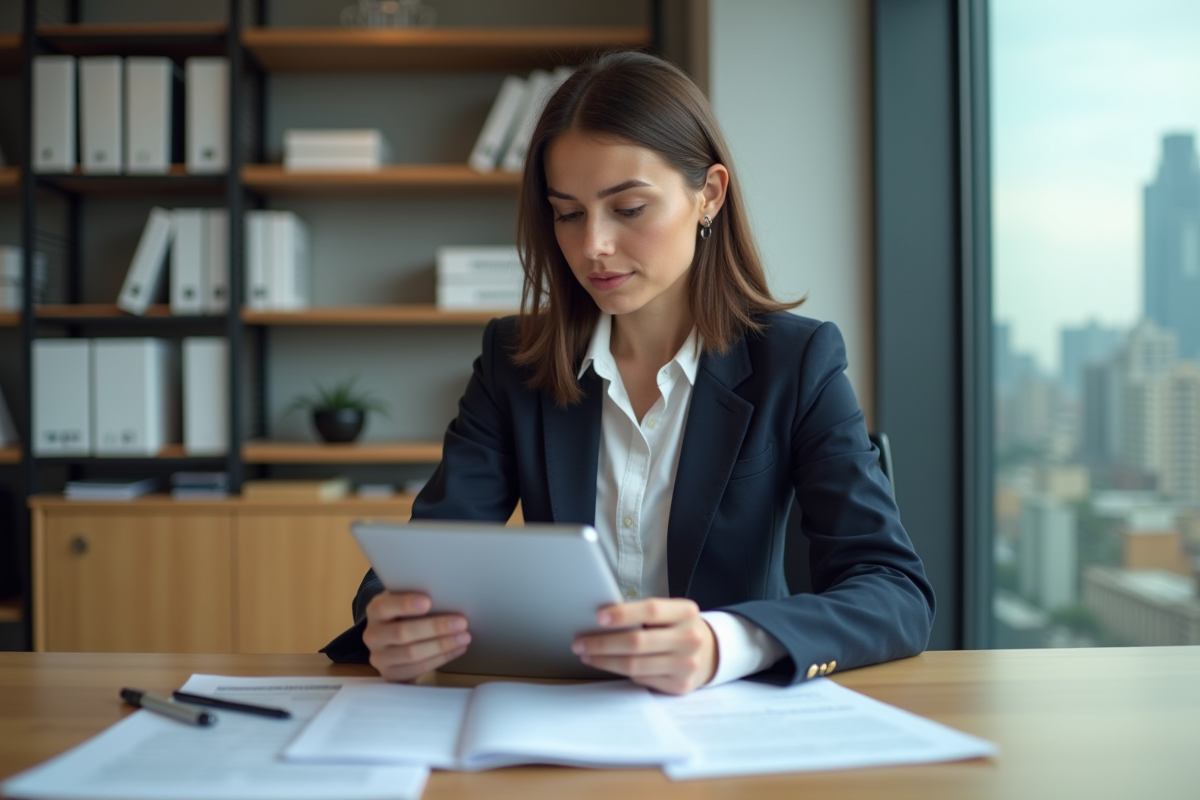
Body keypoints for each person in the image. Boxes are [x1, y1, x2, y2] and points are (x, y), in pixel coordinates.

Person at [323, 50, 935, 695]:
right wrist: (386, 620)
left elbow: (893, 591)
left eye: (629, 208)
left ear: (709, 195)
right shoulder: (514, 361)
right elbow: (427, 559)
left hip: (729, 725)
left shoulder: (796, 362)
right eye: (568, 212)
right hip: (556, 716)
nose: (593, 246)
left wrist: (722, 641)